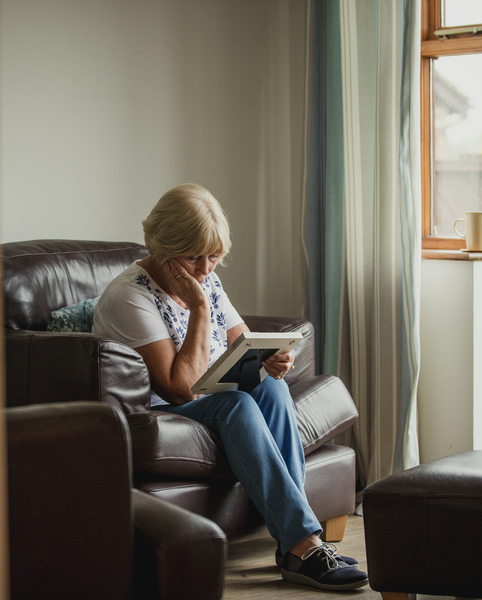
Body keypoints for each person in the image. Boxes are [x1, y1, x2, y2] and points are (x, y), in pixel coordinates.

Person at [92, 184, 368, 592]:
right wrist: (200, 307)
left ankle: (299, 546)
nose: (206, 268)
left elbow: (243, 345)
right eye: (194, 256)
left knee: (272, 389)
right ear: (164, 249)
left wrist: (273, 360)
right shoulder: (130, 297)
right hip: (158, 411)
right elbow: (180, 388)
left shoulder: (207, 279)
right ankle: (304, 543)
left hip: (209, 397)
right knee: (236, 404)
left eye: (214, 255)